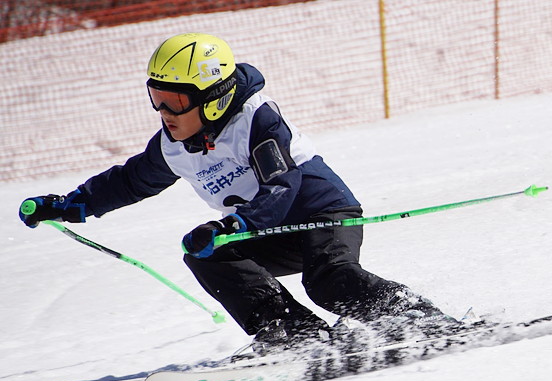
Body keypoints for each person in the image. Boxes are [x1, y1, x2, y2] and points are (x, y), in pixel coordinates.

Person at [18, 33, 451, 354]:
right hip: (270, 230)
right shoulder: (173, 145)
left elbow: (282, 184)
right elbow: (130, 180)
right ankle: (299, 339)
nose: (163, 113)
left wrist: (233, 224)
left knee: (328, 281)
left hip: (322, 214)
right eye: (157, 99)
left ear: (214, 98)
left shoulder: (256, 121)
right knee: (205, 252)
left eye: (175, 102)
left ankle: (428, 324)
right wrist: (70, 205)